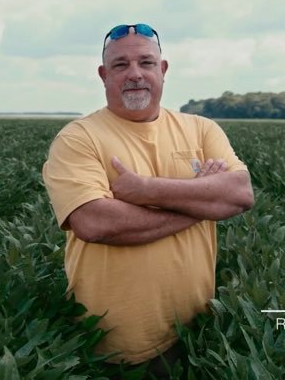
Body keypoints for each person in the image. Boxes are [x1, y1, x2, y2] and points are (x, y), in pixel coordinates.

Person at [42, 23, 254, 378]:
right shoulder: (78, 138)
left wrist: (146, 189)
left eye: (146, 62)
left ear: (163, 69)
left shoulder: (201, 129)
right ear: (103, 74)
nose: (135, 74)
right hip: (116, 342)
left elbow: (240, 193)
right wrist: (201, 202)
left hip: (198, 328)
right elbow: (95, 223)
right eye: (121, 65)